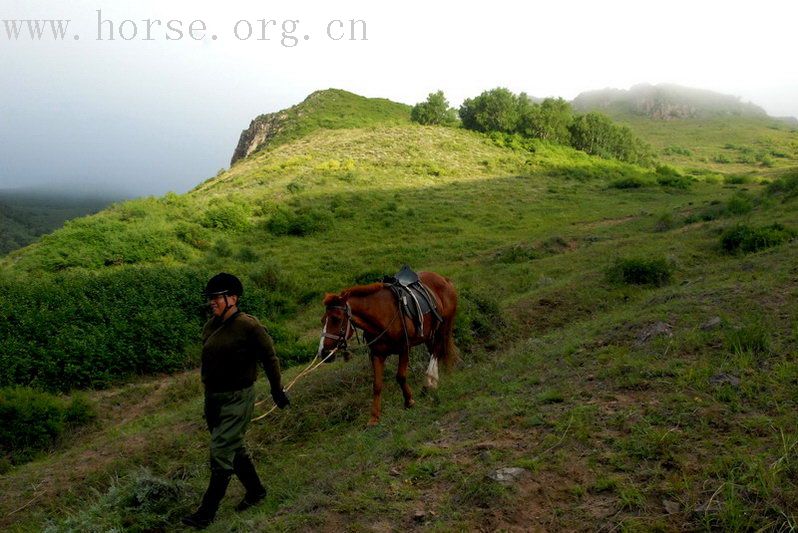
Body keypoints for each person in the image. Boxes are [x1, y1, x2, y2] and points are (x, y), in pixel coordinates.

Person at [183, 272, 290, 529]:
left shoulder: (249, 326)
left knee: (221, 451)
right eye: (210, 299)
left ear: (233, 298)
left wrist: (277, 390)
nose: (212, 303)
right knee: (234, 447)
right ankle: (256, 492)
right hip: (214, 399)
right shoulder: (211, 325)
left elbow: (270, 358)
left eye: (217, 298)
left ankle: (206, 513)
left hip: (238, 398)